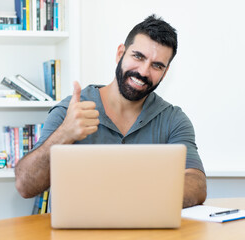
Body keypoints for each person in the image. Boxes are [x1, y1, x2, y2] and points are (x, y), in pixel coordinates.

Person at [15, 15, 207, 208]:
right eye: (138, 57)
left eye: (157, 66)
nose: (143, 71)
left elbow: (196, 185)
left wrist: (131, 196)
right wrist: (65, 133)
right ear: (120, 54)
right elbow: (25, 186)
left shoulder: (173, 119)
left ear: (165, 73)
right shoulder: (72, 110)